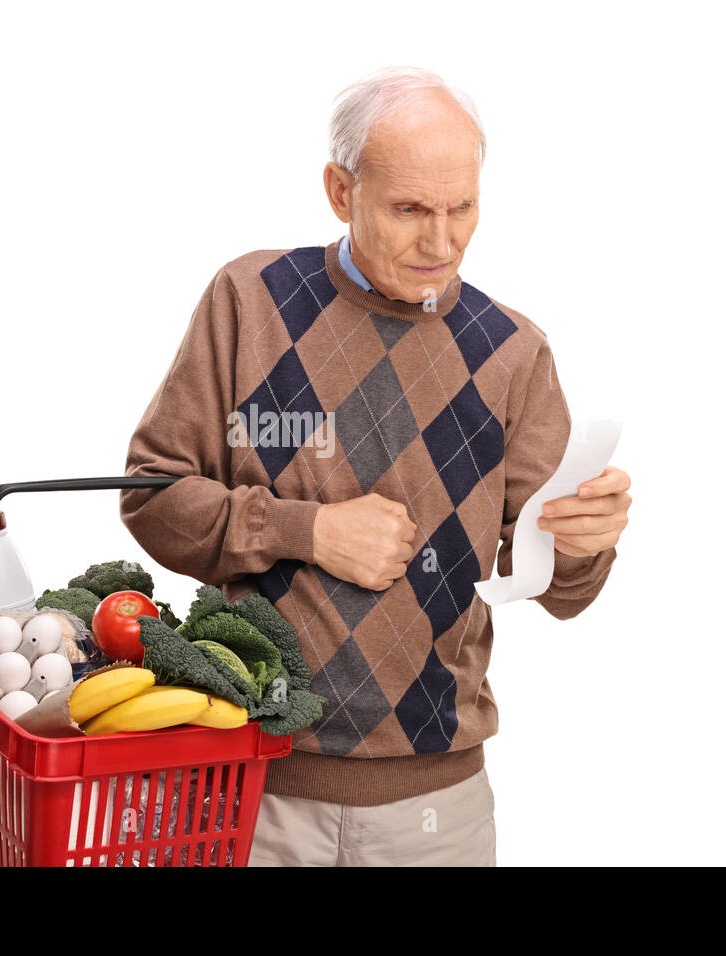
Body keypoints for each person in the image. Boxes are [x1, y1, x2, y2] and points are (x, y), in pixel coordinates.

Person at [119, 66, 632, 866]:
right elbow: (151, 496)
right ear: (339, 190)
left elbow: (561, 591)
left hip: (438, 813)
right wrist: (306, 531)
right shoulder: (249, 301)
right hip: (256, 790)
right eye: (410, 210)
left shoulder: (512, 353)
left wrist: (584, 542)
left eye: (463, 208)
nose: (442, 242)